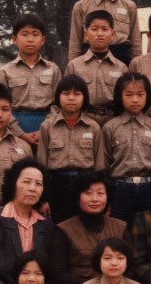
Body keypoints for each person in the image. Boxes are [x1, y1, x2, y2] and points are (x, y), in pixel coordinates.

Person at [46, 171, 126, 284]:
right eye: (88, 193)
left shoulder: (120, 227)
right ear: (78, 198)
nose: (94, 199)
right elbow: (59, 275)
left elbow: (130, 267)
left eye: (100, 193)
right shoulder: (63, 230)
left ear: (107, 197)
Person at [36, 74, 104, 224]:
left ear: (84, 98)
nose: (71, 98)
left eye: (77, 94)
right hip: (57, 185)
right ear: (58, 97)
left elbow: (99, 165)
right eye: (66, 93)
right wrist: (43, 198)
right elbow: (41, 165)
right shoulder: (47, 126)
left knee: (84, 226)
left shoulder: (93, 127)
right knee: (58, 226)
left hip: (85, 184)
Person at [0, 13, 60, 138]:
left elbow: (57, 104)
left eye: (35, 34)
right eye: (24, 34)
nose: (30, 39)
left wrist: (45, 129)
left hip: (47, 124)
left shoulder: (53, 69)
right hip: (15, 124)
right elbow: (1, 106)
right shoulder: (5, 71)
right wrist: (20, 134)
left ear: (42, 40)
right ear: (14, 39)